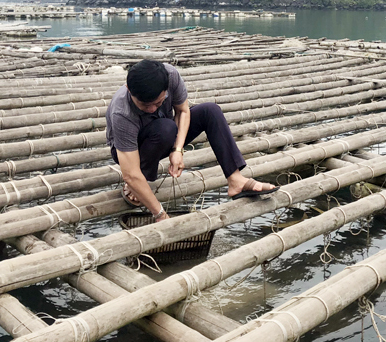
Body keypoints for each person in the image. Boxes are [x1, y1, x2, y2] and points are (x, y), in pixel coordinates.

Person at [106, 59, 278, 222]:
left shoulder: (171, 76)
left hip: (166, 133)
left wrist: (177, 150)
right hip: (132, 150)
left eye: (158, 103)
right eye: (145, 105)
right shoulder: (122, 113)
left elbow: (183, 111)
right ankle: (141, 179)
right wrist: (159, 214)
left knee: (210, 111)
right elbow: (130, 174)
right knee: (165, 129)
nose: (151, 109)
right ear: (129, 89)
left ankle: (236, 180)